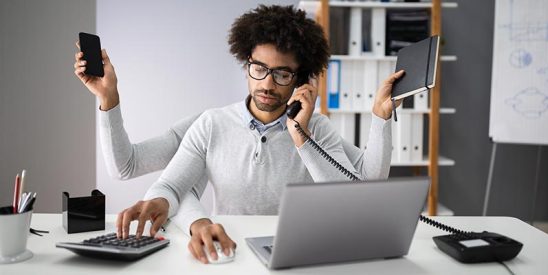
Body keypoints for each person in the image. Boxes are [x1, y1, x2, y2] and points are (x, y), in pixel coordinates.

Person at [74, 5, 403, 264]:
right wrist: (180, 212)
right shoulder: (211, 123)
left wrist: (374, 118)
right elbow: (171, 184)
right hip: (230, 251)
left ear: (302, 80)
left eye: (282, 74)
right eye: (258, 68)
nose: (267, 84)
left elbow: (360, 187)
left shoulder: (316, 128)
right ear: (246, 62)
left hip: (299, 255)